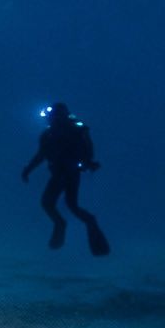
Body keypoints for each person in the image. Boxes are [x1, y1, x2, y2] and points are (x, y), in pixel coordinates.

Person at [21, 102, 110, 256]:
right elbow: (41, 155)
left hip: (66, 171)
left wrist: (28, 170)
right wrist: (28, 169)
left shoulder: (65, 132)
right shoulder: (54, 134)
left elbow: (42, 156)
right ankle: (88, 223)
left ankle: (62, 224)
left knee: (49, 202)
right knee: (71, 205)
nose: (53, 118)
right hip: (69, 172)